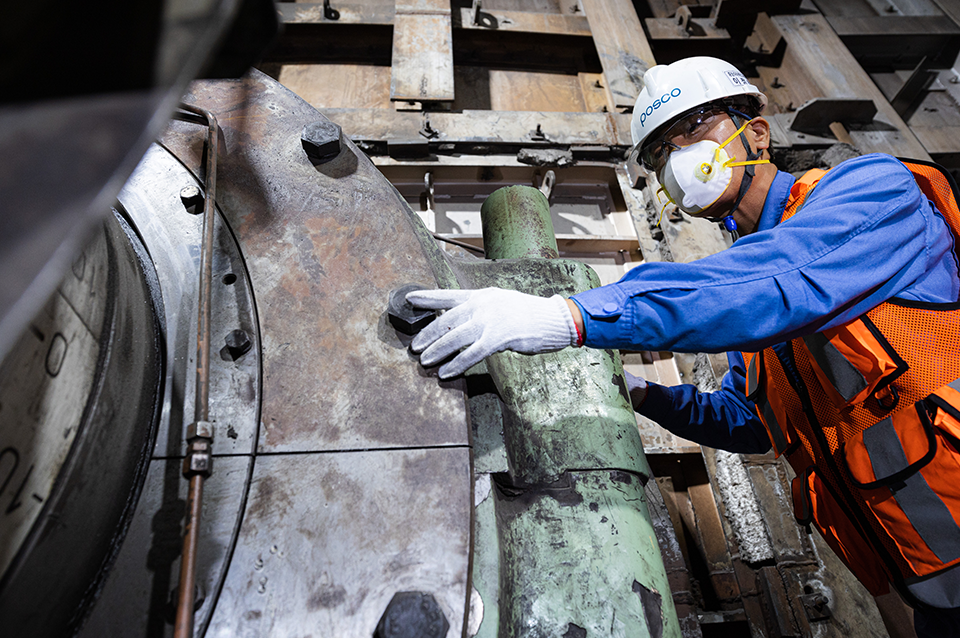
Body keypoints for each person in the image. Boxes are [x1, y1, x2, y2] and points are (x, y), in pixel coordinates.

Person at [405, 56, 960, 636]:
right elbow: (749, 423)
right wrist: (642, 394)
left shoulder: (872, 190)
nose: (679, 159)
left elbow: (782, 279)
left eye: (695, 129)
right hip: (922, 575)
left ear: (758, 133)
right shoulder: (755, 314)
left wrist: (566, 315)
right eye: (660, 153)